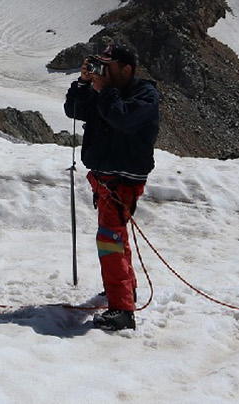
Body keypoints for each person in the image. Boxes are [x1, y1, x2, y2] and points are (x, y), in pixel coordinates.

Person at [62, 43, 161, 331]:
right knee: (115, 237)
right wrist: (84, 84)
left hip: (124, 182)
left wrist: (103, 90)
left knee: (109, 239)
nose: (101, 71)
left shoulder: (144, 95)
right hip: (105, 179)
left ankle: (122, 310)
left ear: (126, 70)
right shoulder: (105, 92)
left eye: (108, 66)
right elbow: (74, 110)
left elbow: (121, 117)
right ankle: (125, 290)